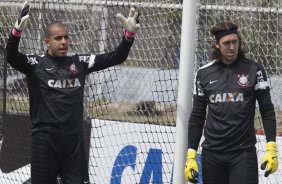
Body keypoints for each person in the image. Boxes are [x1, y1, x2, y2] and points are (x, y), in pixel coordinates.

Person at [6, 1, 140, 184]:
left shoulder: (80, 62)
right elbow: (11, 57)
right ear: (47, 42)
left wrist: (129, 36)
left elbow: (117, 57)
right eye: (58, 38)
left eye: (66, 38)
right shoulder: (35, 64)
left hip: (73, 141)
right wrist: (16, 33)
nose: (64, 42)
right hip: (45, 140)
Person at [184, 21, 278, 184]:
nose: (232, 47)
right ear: (216, 45)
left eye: (235, 41)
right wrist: (191, 153)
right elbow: (197, 116)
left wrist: (271, 146)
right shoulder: (203, 74)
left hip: (243, 154)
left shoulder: (254, 70)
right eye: (227, 43)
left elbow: (267, 110)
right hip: (212, 155)